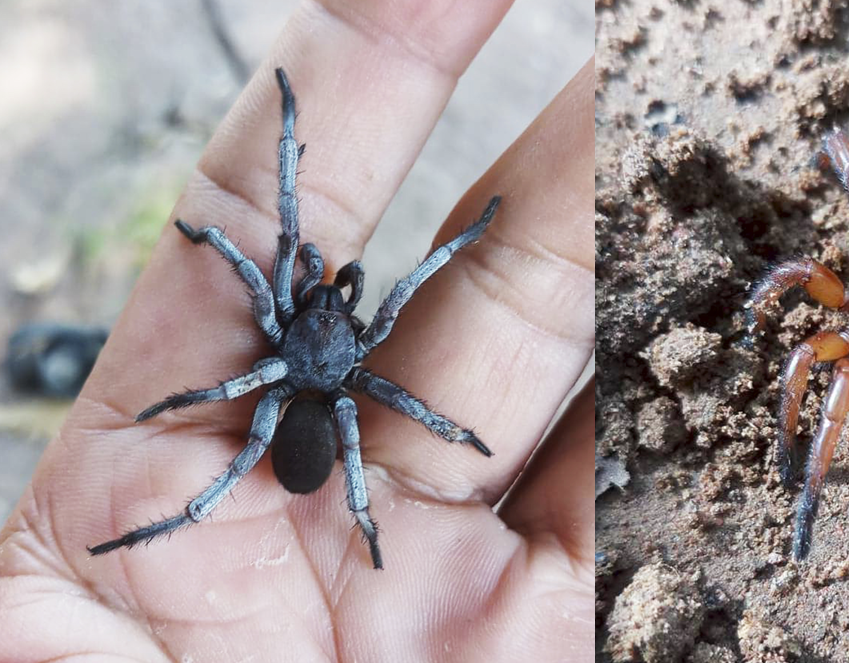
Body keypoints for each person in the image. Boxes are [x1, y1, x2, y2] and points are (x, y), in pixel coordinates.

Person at [0, 1, 593, 659]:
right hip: (312, 396)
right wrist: (216, 242)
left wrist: (216, 254)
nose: (325, 305)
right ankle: (313, 517)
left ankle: (165, 483)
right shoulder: (343, 355)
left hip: (299, 396)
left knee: (289, 296)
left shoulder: (289, 351)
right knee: (314, 361)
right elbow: (387, 290)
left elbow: (268, 307)